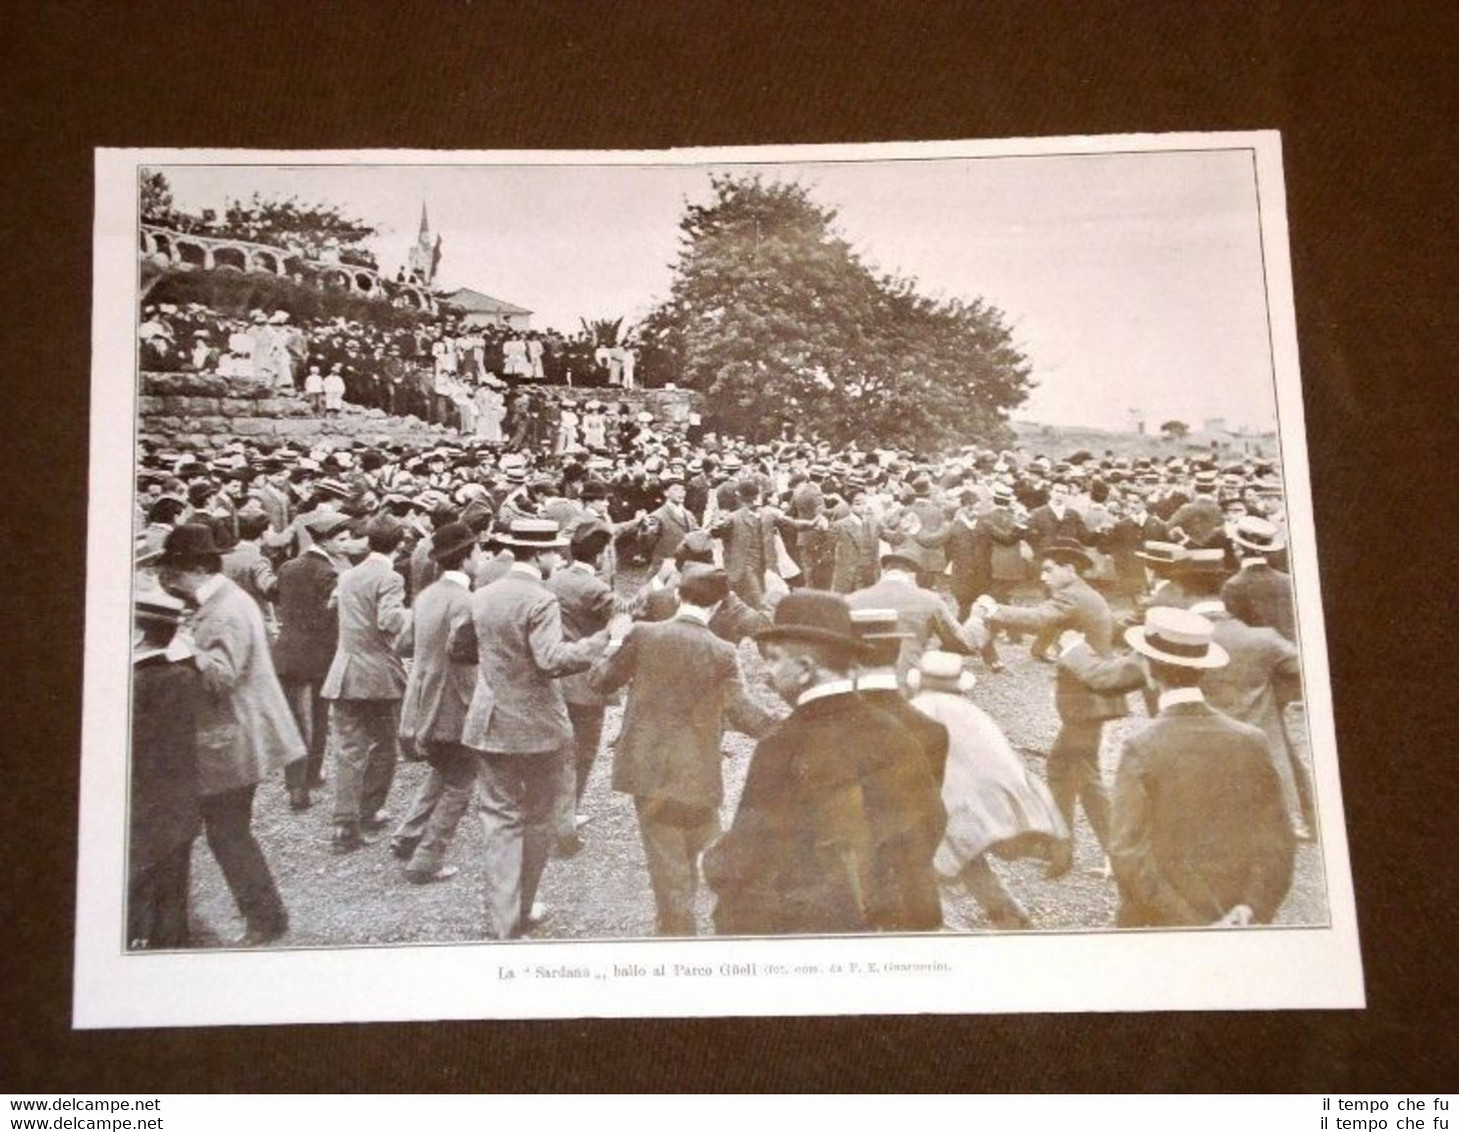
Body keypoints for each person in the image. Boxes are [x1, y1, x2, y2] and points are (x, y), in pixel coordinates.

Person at [589, 565, 777, 935]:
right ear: (721, 604)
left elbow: (601, 681)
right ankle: (690, 920)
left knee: (666, 856)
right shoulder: (722, 651)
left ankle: (677, 931)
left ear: (678, 595)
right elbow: (743, 711)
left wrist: (614, 640)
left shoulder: (644, 635)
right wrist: (785, 730)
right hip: (698, 768)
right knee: (694, 847)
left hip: (647, 766)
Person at [451, 519, 609, 939]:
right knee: (538, 815)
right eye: (555, 551)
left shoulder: (481, 594)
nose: (559, 557)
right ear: (539, 555)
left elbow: (459, 647)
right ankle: (521, 908)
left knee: (499, 818)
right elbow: (551, 659)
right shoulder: (540, 599)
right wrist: (603, 642)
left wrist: (499, 669)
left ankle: (504, 920)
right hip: (535, 723)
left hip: (489, 719)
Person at [702, 590, 881, 936]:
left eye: (773, 660)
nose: (768, 673)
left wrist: (710, 863)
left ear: (803, 669)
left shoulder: (782, 745)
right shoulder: (891, 729)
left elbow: (749, 849)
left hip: (808, 923)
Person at [157, 524, 302, 946]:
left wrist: (185, 646)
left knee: (228, 833)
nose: (171, 580)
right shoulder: (219, 601)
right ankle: (264, 915)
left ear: (200, 568)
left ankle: (265, 917)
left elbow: (222, 676)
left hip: (230, 738)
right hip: (232, 734)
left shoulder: (224, 610)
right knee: (226, 831)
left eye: (176, 572)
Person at [1107, 608, 1296, 927]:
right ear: (1203, 670)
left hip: (1161, 924)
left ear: (1149, 671)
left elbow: (1126, 851)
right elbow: (1278, 840)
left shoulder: (1141, 747)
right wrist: (1250, 907)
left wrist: (1189, 922)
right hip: (1236, 917)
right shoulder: (1251, 740)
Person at [975, 538, 1128, 877]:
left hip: (1087, 699)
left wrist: (994, 611)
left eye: (1048, 570)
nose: (1042, 577)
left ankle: (1109, 854)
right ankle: (1064, 849)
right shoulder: (1084, 594)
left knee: (1082, 776)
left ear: (1069, 569)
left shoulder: (1073, 595)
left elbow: (1039, 619)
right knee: (1065, 771)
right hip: (1090, 699)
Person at [907, 651, 1067, 931]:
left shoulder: (915, 710)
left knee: (930, 873)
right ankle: (1015, 923)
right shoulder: (974, 714)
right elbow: (1003, 764)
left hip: (941, 808)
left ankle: (947, 934)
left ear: (919, 682)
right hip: (978, 806)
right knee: (970, 861)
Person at [845, 607, 949, 931]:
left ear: (851, 659)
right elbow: (932, 815)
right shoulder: (932, 730)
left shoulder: (835, 728)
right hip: (913, 894)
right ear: (897, 654)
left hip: (853, 897)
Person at [392, 522, 480, 883]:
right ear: (466, 557)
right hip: (454, 703)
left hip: (422, 699)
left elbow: (403, 644)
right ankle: (427, 858)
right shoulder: (467, 602)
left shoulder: (426, 595)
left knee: (443, 769)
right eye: (478, 552)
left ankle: (409, 833)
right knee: (461, 779)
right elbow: (464, 657)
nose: (483, 557)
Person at [321, 514, 410, 852]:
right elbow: (389, 621)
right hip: (376, 675)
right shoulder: (389, 576)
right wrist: (414, 614)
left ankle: (345, 824)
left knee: (348, 749)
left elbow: (333, 606)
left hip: (344, 670)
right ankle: (368, 809)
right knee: (385, 745)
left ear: (369, 541)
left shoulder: (347, 576)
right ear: (399, 544)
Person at [128, 591, 203, 949]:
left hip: (140, 802)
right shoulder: (185, 677)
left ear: (138, 633)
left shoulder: (132, 683)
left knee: (137, 884)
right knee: (173, 884)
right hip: (181, 800)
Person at [545, 521, 619, 853]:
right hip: (587, 679)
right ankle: (565, 820)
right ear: (602, 554)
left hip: (554, 673)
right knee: (583, 753)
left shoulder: (553, 580)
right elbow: (625, 619)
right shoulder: (595, 589)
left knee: (557, 750)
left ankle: (554, 813)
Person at [272, 511, 349, 811]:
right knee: (317, 719)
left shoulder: (288, 567)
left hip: (288, 652)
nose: (345, 544)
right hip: (319, 654)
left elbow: (282, 602)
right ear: (326, 542)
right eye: (341, 540)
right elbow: (329, 615)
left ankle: (296, 783)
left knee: (295, 720)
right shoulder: (329, 574)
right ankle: (309, 778)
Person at [847, 547, 980, 682]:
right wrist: (977, 619)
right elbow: (959, 640)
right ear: (913, 576)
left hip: (862, 685)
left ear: (884, 572)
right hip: (907, 683)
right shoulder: (930, 600)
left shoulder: (853, 600)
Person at [1221, 516, 1297, 641]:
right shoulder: (1288, 581)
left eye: (1234, 543)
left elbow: (1236, 632)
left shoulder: (1234, 585)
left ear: (1238, 549)